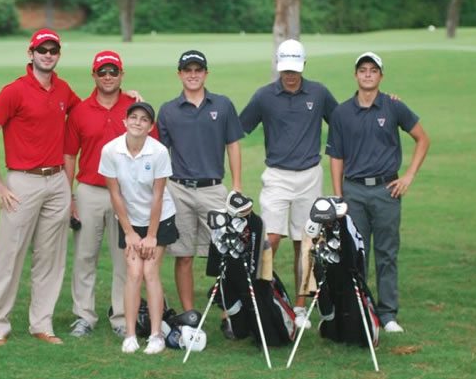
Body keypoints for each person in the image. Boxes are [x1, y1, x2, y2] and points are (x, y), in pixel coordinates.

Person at [0, 28, 80, 347]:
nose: (47, 55)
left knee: (50, 257)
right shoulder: (14, 91)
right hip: (22, 181)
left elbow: (88, 111)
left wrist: (126, 98)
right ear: (31, 53)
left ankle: (42, 324)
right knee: (9, 255)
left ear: (58, 54)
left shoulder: (63, 89)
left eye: (53, 50)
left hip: (58, 181)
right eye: (42, 50)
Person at [326, 51, 430, 333]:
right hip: (354, 191)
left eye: (373, 70)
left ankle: (387, 314)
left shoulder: (393, 106)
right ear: (355, 75)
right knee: (355, 255)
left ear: (381, 76)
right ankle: (360, 309)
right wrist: (338, 196)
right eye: (363, 70)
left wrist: (408, 176)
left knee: (387, 253)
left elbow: (422, 139)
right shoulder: (342, 112)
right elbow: (336, 156)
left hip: (387, 191)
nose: (368, 74)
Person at [239, 39, 337, 328]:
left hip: (310, 175)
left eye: (295, 69)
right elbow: (238, 127)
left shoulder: (318, 93)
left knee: (305, 243)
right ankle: (262, 297)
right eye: (285, 70)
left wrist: (383, 101)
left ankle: (300, 306)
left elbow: (343, 120)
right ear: (278, 67)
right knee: (269, 240)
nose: (290, 75)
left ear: (303, 65)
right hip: (277, 176)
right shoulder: (264, 96)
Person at [63, 50, 152, 338]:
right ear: (94, 75)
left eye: (113, 71)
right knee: (84, 257)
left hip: (127, 194)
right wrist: (69, 196)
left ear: (121, 74)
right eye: (102, 71)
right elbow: (69, 155)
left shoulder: (135, 108)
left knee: (125, 258)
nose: (108, 76)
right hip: (89, 191)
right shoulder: (80, 110)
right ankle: (84, 316)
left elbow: (152, 148)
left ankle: (121, 317)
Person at [157, 50, 244, 317]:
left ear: (206, 73)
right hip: (179, 189)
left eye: (198, 70)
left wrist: (237, 185)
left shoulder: (223, 105)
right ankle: (190, 314)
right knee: (184, 255)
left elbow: (233, 144)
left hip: (214, 189)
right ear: (180, 74)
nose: (193, 75)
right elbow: (159, 152)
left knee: (226, 254)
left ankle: (230, 313)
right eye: (188, 70)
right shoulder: (168, 110)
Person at [98, 102, 178, 354]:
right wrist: (130, 232)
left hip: (160, 218)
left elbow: (158, 195)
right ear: (125, 121)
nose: (138, 122)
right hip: (129, 219)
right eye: (133, 117)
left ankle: (156, 335)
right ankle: (130, 335)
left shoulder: (159, 152)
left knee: (150, 271)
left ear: (150, 126)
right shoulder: (110, 150)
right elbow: (115, 194)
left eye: (144, 119)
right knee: (133, 273)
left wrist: (151, 236)